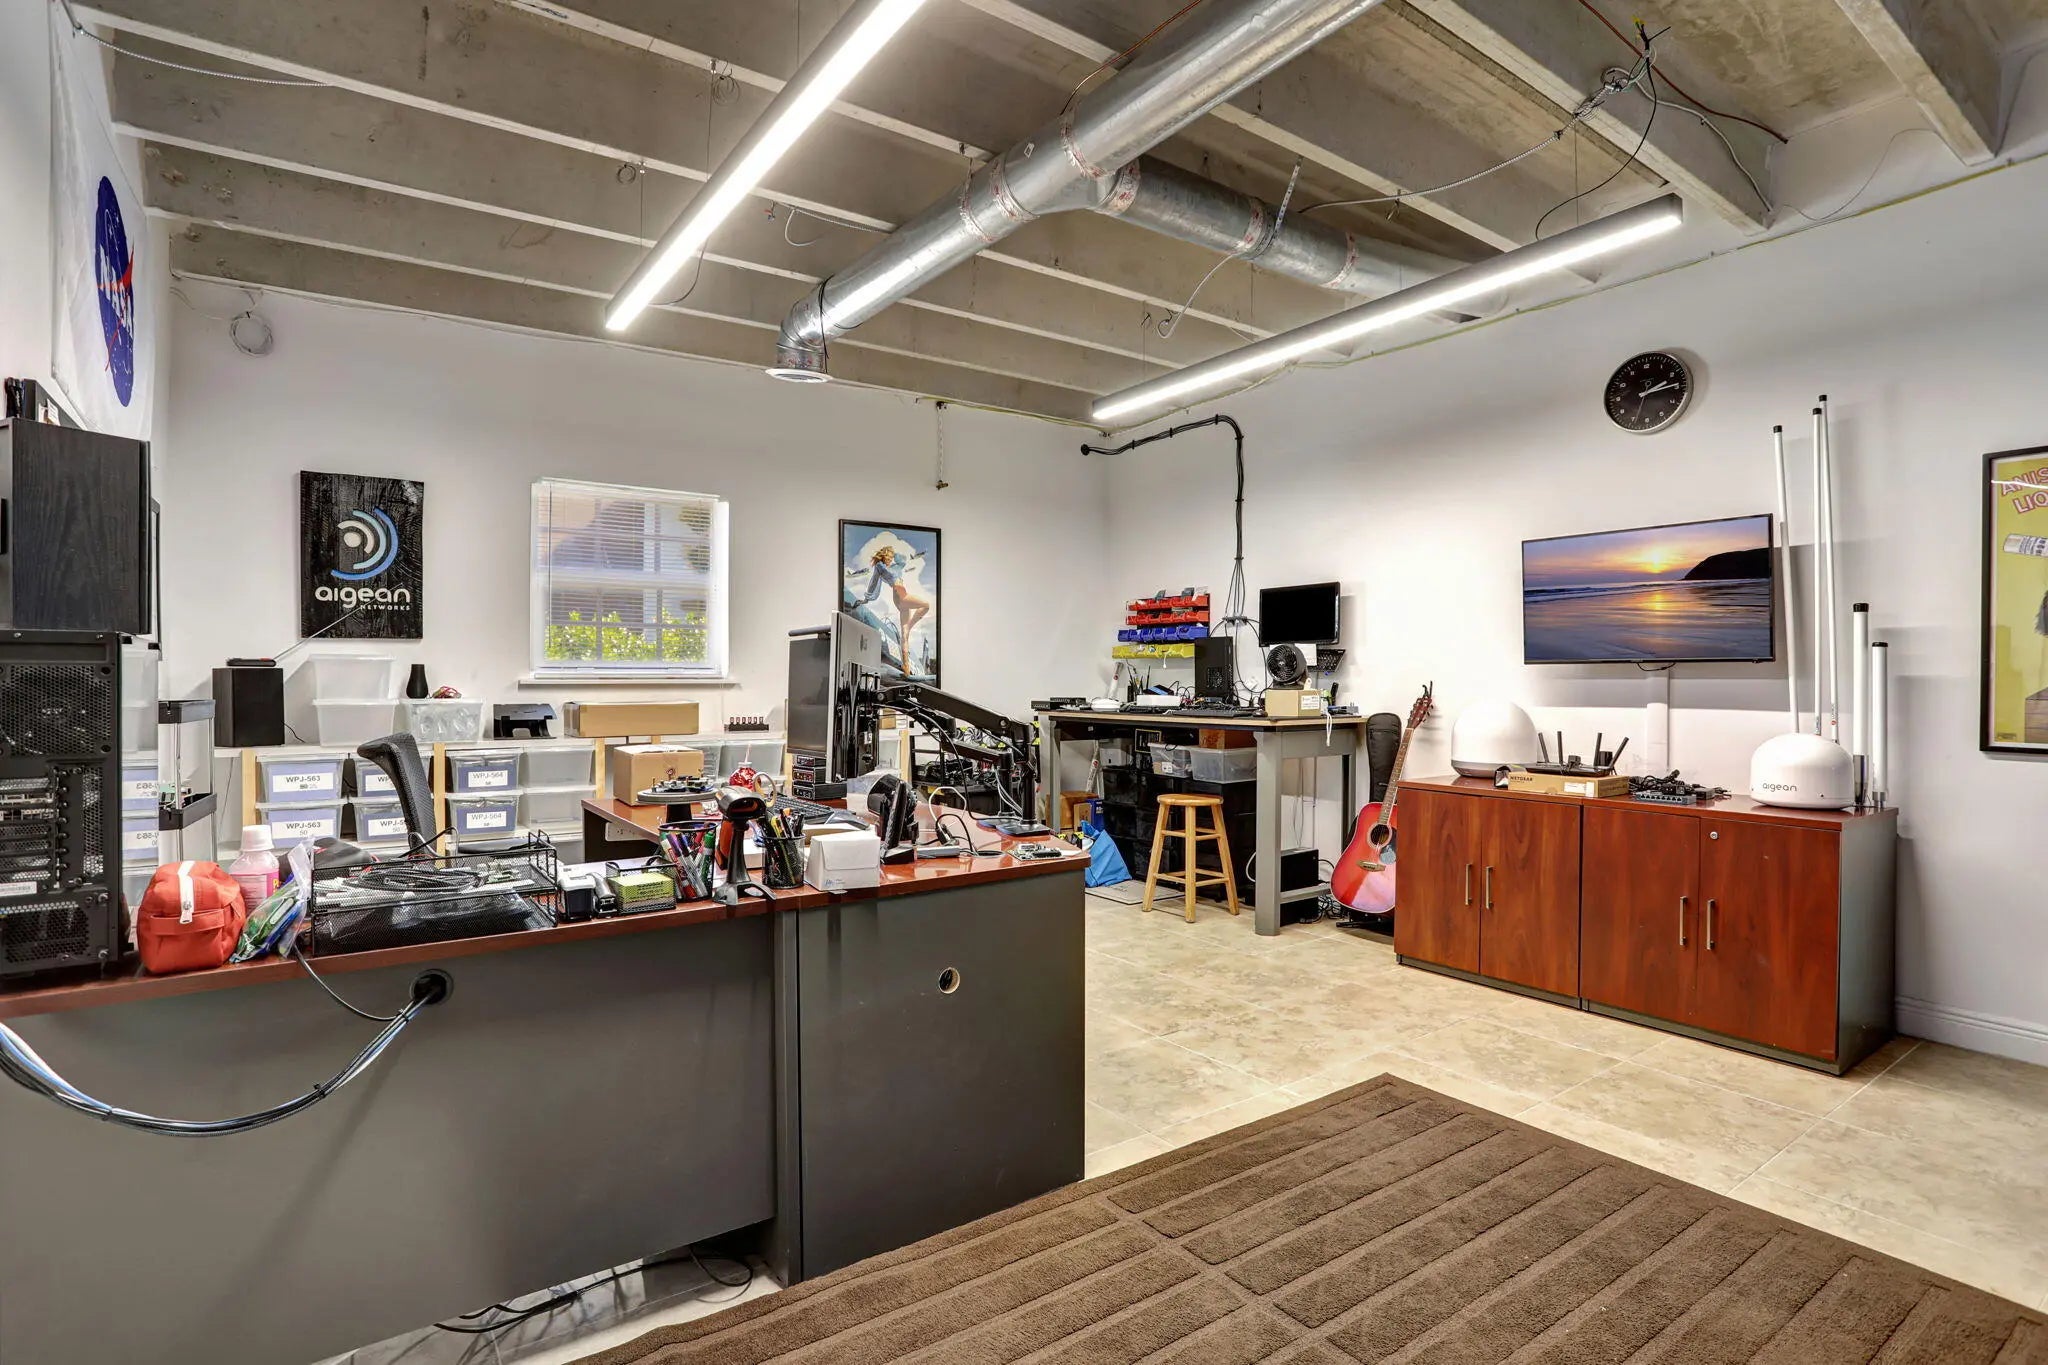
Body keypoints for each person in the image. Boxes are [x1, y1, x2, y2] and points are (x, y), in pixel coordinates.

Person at [850, 542, 932, 673]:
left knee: (905, 635)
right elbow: (873, 582)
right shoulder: (880, 566)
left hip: (902, 598)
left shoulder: (896, 566)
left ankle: (906, 667)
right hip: (901, 596)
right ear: (883, 556)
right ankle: (911, 625)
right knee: (926, 605)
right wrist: (866, 599)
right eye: (888, 556)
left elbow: (903, 560)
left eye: (891, 556)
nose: (889, 558)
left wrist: (894, 553)